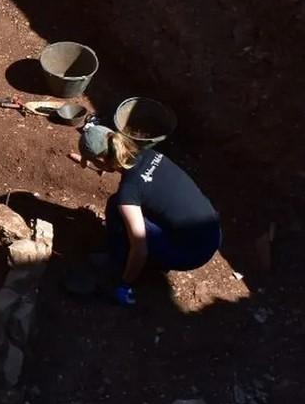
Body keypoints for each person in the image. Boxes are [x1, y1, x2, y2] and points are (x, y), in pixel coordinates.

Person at [77, 124, 222, 305]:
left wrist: (124, 284)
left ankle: (118, 262)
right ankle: (161, 253)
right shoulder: (151, 155)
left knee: (117, 209)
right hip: (213, 233)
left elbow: (140, 250)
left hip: (193, 254)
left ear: (100, 160)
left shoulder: (129, 191)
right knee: (134, 205)